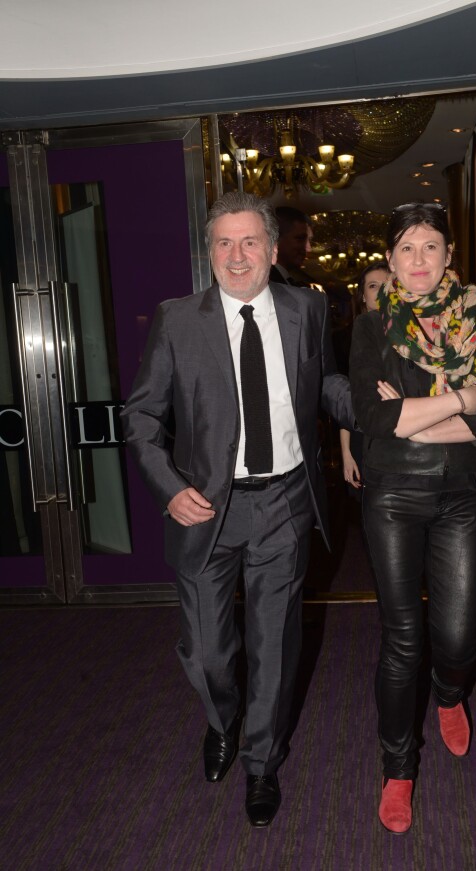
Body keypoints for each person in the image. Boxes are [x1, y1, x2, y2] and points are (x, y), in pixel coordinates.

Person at [121, 191, 354, 827]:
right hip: (205, 509)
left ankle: (261, 763)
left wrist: (377, 408)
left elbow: (326, 381)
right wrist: (169, 487)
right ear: (210, 251)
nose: (236, 255)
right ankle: (221, 721)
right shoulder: (177, 320)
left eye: (249, 241)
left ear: (273, 250)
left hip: (283, 501)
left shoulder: (307, 307)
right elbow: (140, 417)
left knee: (274, 644)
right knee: (204, 653)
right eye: (223, 242)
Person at [349, 203, 476, 834]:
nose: (418, 260)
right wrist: (460, 400)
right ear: (390, 259)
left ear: (449, 257)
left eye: (431, 247)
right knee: (402, 639)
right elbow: (373, 418)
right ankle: (397, 770)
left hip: (463, 496)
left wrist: (418, 419)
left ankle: (450, 691)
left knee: (456, 636)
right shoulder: (371, 329)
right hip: (392, 495)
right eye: (406, 249)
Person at [340, 261, 391, 493]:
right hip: (363, 435)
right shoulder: (348, 337)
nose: (381, 291)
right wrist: (346, 453)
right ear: (362, 295)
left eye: (386, 284)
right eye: (373, 286)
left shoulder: (412, 334)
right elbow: (343, 399)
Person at [269, 206, 313, 286]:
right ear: (275, 239)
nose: (309, 249)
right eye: (300, 239)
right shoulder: (267, 283)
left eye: (309, 240)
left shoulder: (281, 279)